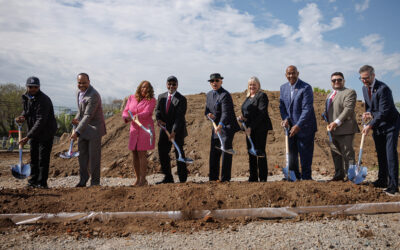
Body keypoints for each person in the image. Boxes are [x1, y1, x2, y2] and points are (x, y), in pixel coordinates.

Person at [359, 65, 400, 195]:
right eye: (362, 79)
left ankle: (393, 186)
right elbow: (371, 107)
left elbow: (384, 112)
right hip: (378, 126)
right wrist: (367, 113)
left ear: (373, 75)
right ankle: (382, 180)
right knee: (381, 154)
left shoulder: (384, 89)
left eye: (366, 78)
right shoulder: (364, 89)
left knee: (390, 154)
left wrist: (370, 125)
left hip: (390, 125)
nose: (364, 81)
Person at [16, 76, 57, 188]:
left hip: (46, 132)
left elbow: (40, 120)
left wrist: (28, 136)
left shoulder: (44, 100)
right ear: (27, 87)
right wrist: (22, 116)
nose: (33, 89)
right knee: (33, 158)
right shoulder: (26, 97)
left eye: (35, 87)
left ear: (39, 87)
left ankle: (42, 183)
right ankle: (33, 181)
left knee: (42, 159)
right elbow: (27, 110)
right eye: (30, 87)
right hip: (34, 132)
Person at [279, 65, 317, 180]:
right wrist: (285, 119)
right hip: (290, 128)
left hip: (305, 127)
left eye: (293, 73)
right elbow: (282, 106)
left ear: (298, 73)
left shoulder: (305, 87)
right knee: (292, 155)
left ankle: (306, 179)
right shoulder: (283, 88)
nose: (291, 76)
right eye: (288, 74)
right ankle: (294, 177)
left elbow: (307, 109)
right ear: (286, 75)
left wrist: (298, 125)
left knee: (305, 155)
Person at [71, 73, 106, 187]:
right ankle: (83, 180)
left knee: (94, 157)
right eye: (79, 83)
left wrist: (77, 132)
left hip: (94, 129)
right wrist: (75, 121)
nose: (81, 85)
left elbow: (87, 115)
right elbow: (80, 111)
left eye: (84, 82)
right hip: (84, 128)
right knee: (82, 156)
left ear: (89, 82)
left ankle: (95, 182)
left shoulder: (93, 95)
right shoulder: (78, 93)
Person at [323, 72, 359, 181]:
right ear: (331, 82)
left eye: (339, 79)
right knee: (336, 154)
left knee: (348, 154)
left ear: (343, 80)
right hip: (332, 130)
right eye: (334, 80)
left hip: (345, 129)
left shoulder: (349, 92)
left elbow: (348, 109)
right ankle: (339, 175)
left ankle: (351, 177)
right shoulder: (329, 95)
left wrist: (336, 122)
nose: (336, 82)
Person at [205, 73, 240, 182]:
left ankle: (225, 179)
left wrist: (221, 125)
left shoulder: (225, 95)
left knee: (225, 151)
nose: (214, 83)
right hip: (216, 127)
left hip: (227, 127)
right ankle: (213, 178)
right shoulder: (209, 95)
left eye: (216, 80)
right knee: (214, 151)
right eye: (212, 81)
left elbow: (226, 113)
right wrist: (209, 115)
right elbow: (207, 110)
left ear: (221, 81)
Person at [238, 77, 273, 182]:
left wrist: (251, 127)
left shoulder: (262, 96)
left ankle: (262, 178)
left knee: (260, 151)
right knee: (251, 152)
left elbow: (261, 114)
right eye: (250, 85)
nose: (252, 86)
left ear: (258, 85)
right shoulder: (248, 97)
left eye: (254, 84)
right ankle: (253, 177)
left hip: (260, 128)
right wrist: (243, 118)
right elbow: (248, 113)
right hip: (249, 128)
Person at [122, 80, 156, 186]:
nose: (144, 89)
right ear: (139, 88)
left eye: (146, 87)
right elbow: (126, 110)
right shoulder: (131, 98)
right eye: (142, 87)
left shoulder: (152, 100)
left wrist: (138, 116)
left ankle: (143, 179)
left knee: (142, 153)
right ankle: (137, 178)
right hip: (134, 129)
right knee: (134, 153)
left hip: (144, 128)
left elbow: (147, 112)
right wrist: (126, 117)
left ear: (150, 89)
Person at [155, 76, 188, 184]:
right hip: (164, 130)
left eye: (174, 84)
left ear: (177, 85)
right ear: (166, 84)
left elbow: (179, 117)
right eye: (169, 84)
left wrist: (174, 131)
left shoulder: (181, 99)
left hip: (177, 130)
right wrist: (158, 119)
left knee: (179, 151)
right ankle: (168, 177)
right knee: (162, 151)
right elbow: (158, 111)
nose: (171, 86)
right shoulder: (161, 97)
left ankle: (182, 178)